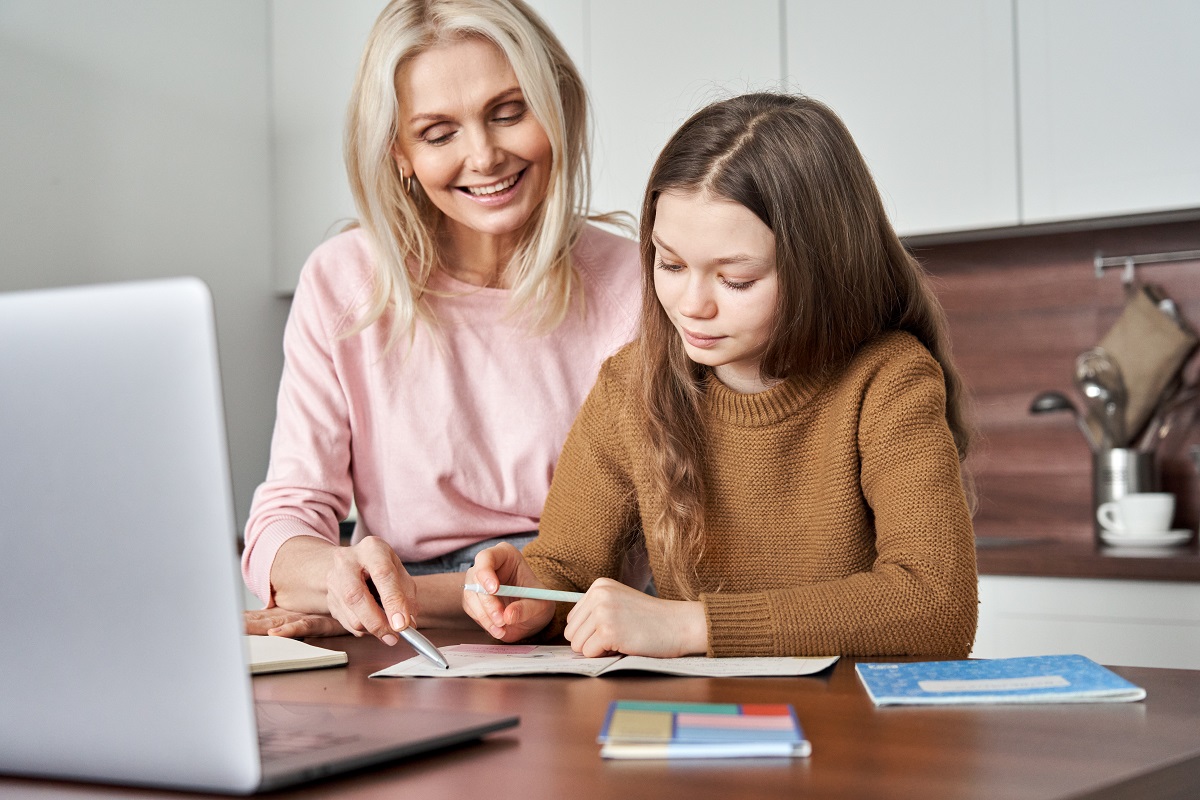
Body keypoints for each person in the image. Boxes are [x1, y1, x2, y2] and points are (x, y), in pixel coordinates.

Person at [463, 93, 979, 659]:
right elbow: (567, 564)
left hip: (853, 727)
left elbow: (936, 606)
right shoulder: (630, 384)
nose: (691, 306)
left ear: (824, 268)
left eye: (735, 280)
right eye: (671, 265)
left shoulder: (889, 381)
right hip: (707, 722)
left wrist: (693, 627)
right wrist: (529, 591)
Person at [242, 0, 641, 645]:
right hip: (401, 632)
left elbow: (639, 547)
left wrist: (391, 598)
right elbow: (286, 520)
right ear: (398, 151)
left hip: (577, 624)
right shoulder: (342, 281)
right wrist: (341, 576)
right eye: (438, 133)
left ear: (558, 109)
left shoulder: (640, 284)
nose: (484, 157)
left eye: (509, 113)